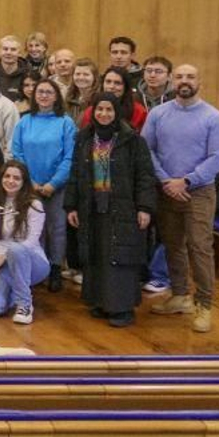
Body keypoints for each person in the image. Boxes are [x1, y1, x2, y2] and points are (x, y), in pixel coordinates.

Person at [143, 64, 219, 333]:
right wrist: (167, 180)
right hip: (166, 188)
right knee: (172, 244)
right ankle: (179, 295)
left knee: (199, 247)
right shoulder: (158, 114)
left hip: (199, 192)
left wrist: (188, 180)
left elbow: (218, 156)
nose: (184, 81)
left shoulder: (214, 118)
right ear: (172, 81)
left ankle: (204, 304)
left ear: (199, 82)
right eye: (179, 77)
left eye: (190, 77)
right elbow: (146, 149)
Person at [68, 92, 159, 328]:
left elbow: (145, 177)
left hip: (123, 207)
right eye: (100, 109)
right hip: (91, 205)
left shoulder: (133, 141)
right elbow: (75, 174)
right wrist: (71, 205)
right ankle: (100, 301)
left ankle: (121, 307)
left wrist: (145, 208)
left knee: (120, 255)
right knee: (97, 254)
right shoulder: (84, 138)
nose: (104, 114)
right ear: (93, 112)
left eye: (109, 110)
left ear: (116, 112)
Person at [9, 78, 76, 291]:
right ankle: (37, 269)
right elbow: (17, 153)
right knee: (31, 229)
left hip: (57, 186)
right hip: (29, 186)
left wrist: (53, 183)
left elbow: (70, 156)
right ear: (33, 96)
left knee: (56, 229)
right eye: (40, 92)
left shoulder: (65, 122)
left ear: (56, 96)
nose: (44, 96)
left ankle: (55, 269)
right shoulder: (24, 122)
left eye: (49, 92)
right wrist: (32, 183)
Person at [0, 160, 49, 325]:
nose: (11, 181)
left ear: (24, 182)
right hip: (1, 265)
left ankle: (24, 304)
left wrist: (2, 256)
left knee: (16, 250)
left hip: (32, 262)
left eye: (16, 178)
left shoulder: (34, 204)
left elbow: (31, 241)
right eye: (7, 176)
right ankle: (14, 290)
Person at [80, 66, 147, 132]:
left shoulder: (139, 111)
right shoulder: (90, 111)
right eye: (108, 82)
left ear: (125, 87)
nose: (111, 87)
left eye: (117, 83)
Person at [0, 35, 30, 103]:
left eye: (13, 49)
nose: (8, 52)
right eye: (5, 49)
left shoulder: (28, 74)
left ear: (19, 53)